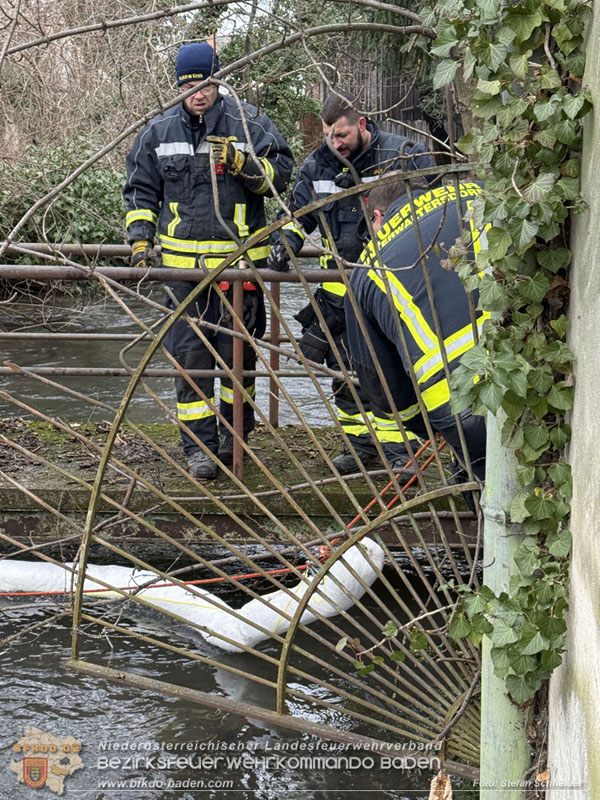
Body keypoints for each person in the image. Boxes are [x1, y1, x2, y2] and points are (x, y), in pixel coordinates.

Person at [124, 42, 293, 479]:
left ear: (219, 80)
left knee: (238, 363)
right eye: (188, 87)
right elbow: (141, 192)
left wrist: (243, 163)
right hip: (183, 276)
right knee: (190, 362)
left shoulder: (250, 123)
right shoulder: (157, 132)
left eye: (204, 84)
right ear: (177, 88)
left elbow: (278, 180)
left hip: (241, 274)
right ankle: (200, 449)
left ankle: (236, 440)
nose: (197, 93)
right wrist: (140, 240)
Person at [267, 91, 436, 473]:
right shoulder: (317, 166)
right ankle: (360, 447)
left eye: (342, 135)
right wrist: (282, 246)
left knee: (392, 374)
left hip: (392, 291)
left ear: (362, 124)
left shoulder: (404, 153)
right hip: (339, 295)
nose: (335, 143)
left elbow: (435, 208)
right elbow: (296, 217)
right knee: (345, 378)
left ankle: (401, 453)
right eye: (329, 136)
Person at [344, 178, 489, 482]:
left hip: (456, 402)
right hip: (523, 355)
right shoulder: (472, 191)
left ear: (378, 217)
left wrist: (428, 429)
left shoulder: (367, 267)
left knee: (484, 487)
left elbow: (381, 383)